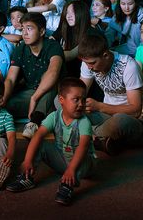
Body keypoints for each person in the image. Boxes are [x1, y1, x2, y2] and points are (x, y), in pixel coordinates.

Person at [6, 78, 96, 206]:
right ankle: (27, 178)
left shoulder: (84, 122)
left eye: (83, 99)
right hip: (63, 160)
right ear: (61, 100)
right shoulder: (54, 116)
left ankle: (67, 186)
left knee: (83, 157)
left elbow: (83, 146)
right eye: (76, 99)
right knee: (41, 144)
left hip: (83, 165)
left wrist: (71, 169)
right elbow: (38, 135)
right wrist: (27, 160)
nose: (81, 104)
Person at [78, 31, 143, 155]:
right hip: (105, 118)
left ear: (105, 55)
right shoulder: (88, 63)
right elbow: (79, 92)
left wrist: (99, 106)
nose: (89, 67)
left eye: (92, 63)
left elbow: (135, 111)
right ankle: (99, 139)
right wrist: (74, 101)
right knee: (64, 102)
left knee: (119, 120)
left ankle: (83, 134)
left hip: (131, 121)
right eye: (86, 63)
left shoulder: (128, 66)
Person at [3, 12, 64, 138]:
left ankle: (34, 122)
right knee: (5, 105)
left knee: (49, 83)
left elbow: (53, 72)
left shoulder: (53, 46)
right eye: (23, 29)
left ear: (41, 31)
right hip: (30, 93)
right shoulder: (20, 49)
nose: (24, 33)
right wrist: (2, 99)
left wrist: (34, 98)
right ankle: (42, 114)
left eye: (29, 28)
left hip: (54, 95)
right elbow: (10, 79)